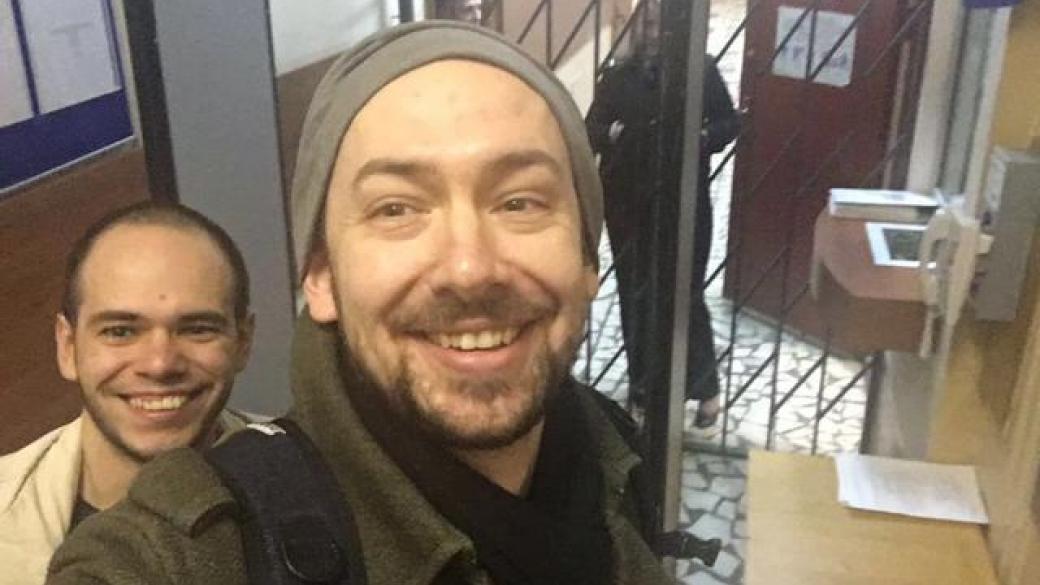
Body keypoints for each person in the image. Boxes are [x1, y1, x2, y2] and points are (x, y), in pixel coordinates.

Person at [46, 22, 673, 585]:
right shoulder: (188, 553)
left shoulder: (609, 451)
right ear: (320, 276)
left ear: (586, 259)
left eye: (519, 202)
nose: (469, 268)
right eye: (396, 209)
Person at [0, 202, 255, 585]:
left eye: (197, 329)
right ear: (67, 347)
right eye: (120, 331)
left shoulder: (320, 483)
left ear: (243, 343)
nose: (159, 364)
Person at [586, 0, 740, 427]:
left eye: (662, 25)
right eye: (648, 25)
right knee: (635, 296)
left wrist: (703, 137)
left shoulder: (700, 71)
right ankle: (642, 388)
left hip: (683, 200)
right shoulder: (617, 76)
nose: (655, 34)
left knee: (684, 293)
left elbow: (729, 123)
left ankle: (704, 388)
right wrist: (612, 132)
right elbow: (590, 128)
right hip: (628, 204)